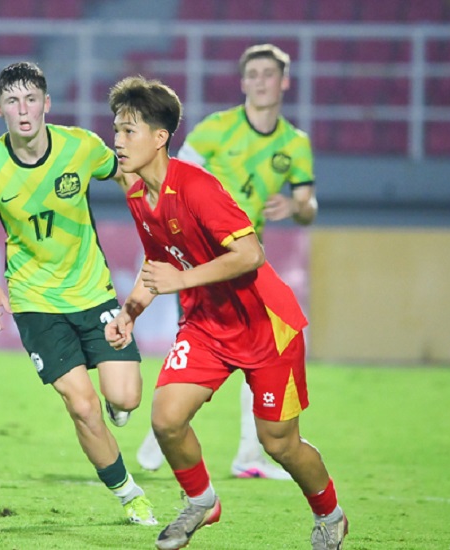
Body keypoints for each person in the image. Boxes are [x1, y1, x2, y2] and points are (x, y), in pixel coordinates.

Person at [105, 75, 347, 549]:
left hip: (265, 326)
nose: (118, 140)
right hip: (206, 326)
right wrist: (130, 312)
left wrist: (181, 281)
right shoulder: (137, 196)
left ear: (160, 138)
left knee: (279, 444)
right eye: (116, 130)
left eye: (129, 131)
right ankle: (202, 502)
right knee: (166, 418)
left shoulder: (197, 186)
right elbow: (158, 262)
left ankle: (330, 514)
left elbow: (251, 254)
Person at [0, 61, 156, 525]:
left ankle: (117, 403)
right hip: (35, 302)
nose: (23, 110)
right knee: (82, 406)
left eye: (31, 99)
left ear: (46, 103)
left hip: (93, 292)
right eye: (12, 101)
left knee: (126, 398)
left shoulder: (80, 146)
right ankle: (129, 494)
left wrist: (149, 211)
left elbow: (124, 172)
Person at [136, 43, 318, 481]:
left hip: (245, 261)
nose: (260, 81)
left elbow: (308, 205)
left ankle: (246, 454)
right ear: (243, 83)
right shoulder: (217, 129)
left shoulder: (295, 143)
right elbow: (170, 176)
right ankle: (163, 433)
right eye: (252, 74)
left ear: (284, 82)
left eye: (268, 74)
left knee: (260, 351)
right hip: (200, 258)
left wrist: (297, 207)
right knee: (201, 341)